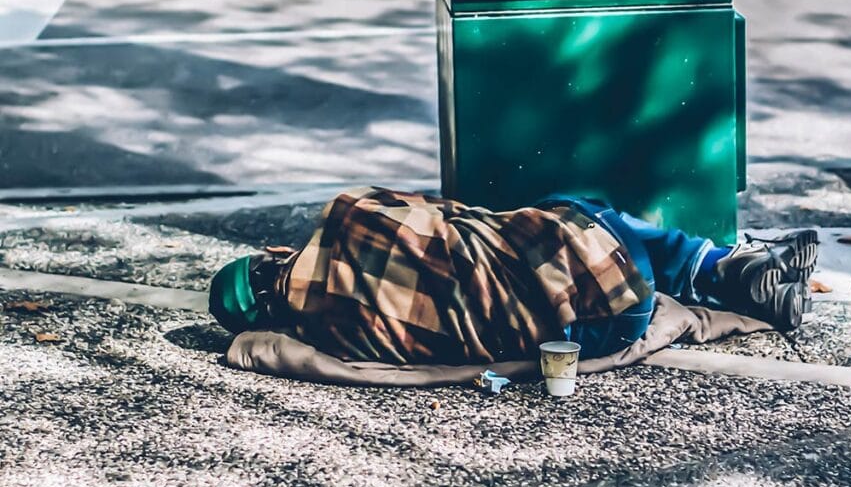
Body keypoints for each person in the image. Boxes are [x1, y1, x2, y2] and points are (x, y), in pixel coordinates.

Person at [208, 187, 818, 365]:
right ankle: (724, 266)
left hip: (598, 329)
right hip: (604, 259)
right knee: (569, 209)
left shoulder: (336, 337)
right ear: (272, 256)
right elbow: (453, 213)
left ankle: (730, 274)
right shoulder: (351, 215)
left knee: (558, 248)